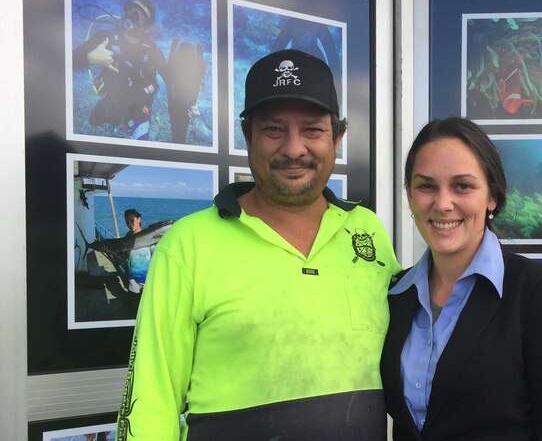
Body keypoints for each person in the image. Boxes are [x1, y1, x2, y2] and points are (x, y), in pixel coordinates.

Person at [117, 49, 399, 440]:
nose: (294, 148)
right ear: (248, 136)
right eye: (273, 130)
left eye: (313, 130)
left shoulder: (366, 231)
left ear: (337, 137)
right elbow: (151, 397)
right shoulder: (188, 244)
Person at [381, 117, 542, 440]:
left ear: (492, 195)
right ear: (409, 195)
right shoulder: (396, 293)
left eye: (462, 186)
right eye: (426, 186)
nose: (443, 203)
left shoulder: (539, 292)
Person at [73, 0, 205, 143]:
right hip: (113, 99)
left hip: (139, 108)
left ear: (147, 26)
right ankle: (120, 121)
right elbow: (69, 62)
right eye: (132, 10)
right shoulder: (105, 38)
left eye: (141, 15)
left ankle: (135, 123)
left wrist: (188, 87)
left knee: (141, 143)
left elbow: (170, 79)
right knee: (93, 121)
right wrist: (90, 57)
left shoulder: (151, 50)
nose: (134, 15)